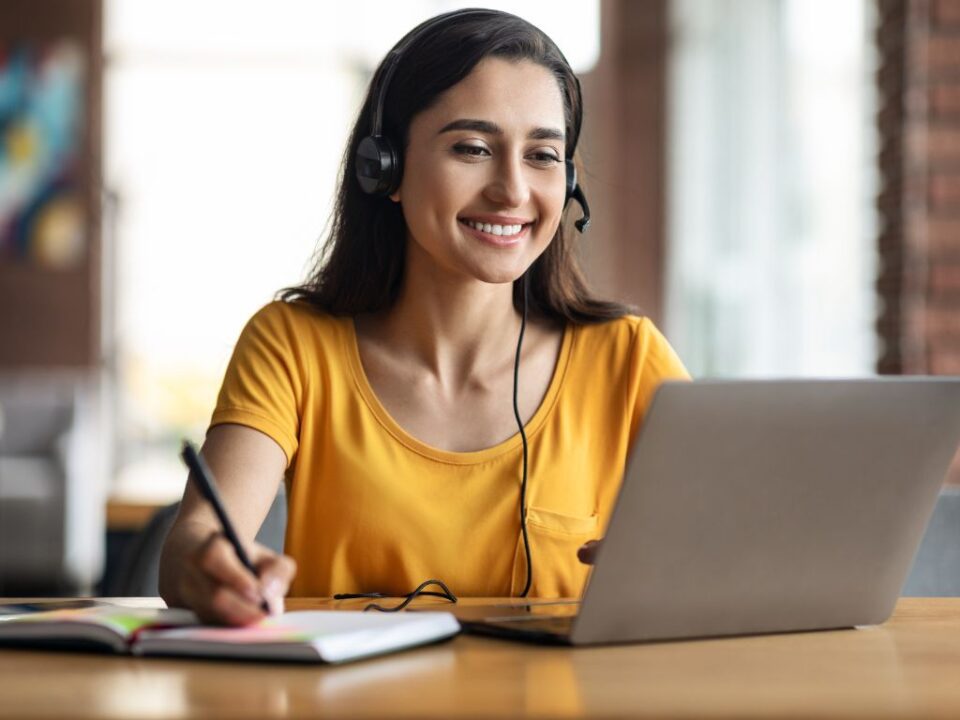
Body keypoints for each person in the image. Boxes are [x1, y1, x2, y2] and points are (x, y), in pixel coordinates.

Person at [158, 8, 689, 626]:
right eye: (472, 148)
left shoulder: (626, 358)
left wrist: (696, 564)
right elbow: (192, 542)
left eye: (542, 154)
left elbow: (731, 538)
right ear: (384, 168)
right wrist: (211, 564)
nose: (513, 190)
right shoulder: (293, 345)